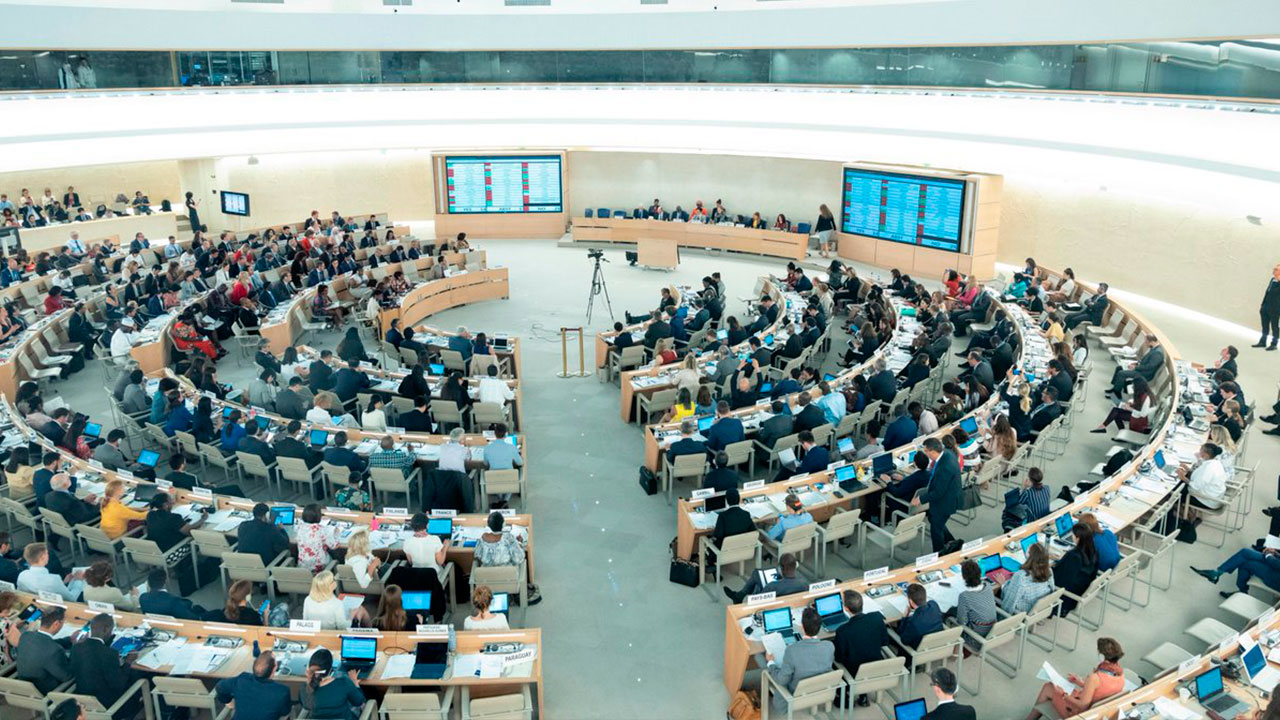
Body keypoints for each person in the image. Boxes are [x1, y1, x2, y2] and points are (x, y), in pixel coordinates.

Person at [1024, 638, 1125, 720]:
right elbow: (1100, 690)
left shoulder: (1095, 678)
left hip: (1078, 713)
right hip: (1095, 711)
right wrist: (1080, 683)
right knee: (1054, 688)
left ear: (1102, 657)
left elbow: (1082, 706)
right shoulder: (1120, 674)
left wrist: (1063, 694)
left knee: (1048, 687)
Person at [761, 607, 835, 717]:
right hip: (819, 690)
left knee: (762, 661)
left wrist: (770, 662)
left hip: (796, 695)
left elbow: (782, 680)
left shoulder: (792, 650)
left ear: (802, 626)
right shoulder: (829, 646)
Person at [70, 612, 142, 719]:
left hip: (84, 701)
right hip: (108, 706)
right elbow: (119, 684)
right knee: (138, 676)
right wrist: (128, 662)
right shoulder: (109, 654)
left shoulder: (76, 648)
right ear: (106, 629)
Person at [474, 511, 540, 604]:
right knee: (523, 562)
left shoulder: (483, 538)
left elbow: (477, 555)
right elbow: (519, 558)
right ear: (503, 524)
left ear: (488, 525)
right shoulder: (508, 538)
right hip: (507, 579)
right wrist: (519, 543)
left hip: (487, 580)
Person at [914, 438, 962, 553]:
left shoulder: (945, 467)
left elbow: (938, 492)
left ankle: (939, 554)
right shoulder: (947, 453)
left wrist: (920, 499)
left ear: (932, 451)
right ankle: (952, 542)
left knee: (936, 531)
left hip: (945, 503)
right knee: (935, 521)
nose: (925, 454)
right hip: (947, 497)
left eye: (925, 451)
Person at [214, 651, 292, 720]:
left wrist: (228, 701)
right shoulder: (282, 691)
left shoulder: (242, 680)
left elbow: (220, 687)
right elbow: (285, 712)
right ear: (274, 668)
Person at [16, 604, 72, 693]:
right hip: (46, 691)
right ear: (56, 624)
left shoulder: (25, 636)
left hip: (25, 688)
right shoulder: (55, 650)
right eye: (63, 623)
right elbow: (67, 676)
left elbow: (44, 644)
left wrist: (69, 639)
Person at [300, 647, 366, 720]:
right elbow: (358, 702)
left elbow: (305, 706)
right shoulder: (343, 683)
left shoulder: (305, 688)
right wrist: (355, 683)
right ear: (330, 669)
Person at [1054, 522, 1099, 616]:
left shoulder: (1073, 556)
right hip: (1079, 592)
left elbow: (1059, 579)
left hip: (1066, 597)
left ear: (1078, 538)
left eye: (1073, 536)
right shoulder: (1094, 551)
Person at [723, 552, 806, 603]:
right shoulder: (804, 583)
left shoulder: (772, 586)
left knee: (756, 583)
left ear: (782, 568)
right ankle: (738, 596)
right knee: (756, 575)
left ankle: (739, 597)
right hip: (788, 603)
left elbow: (758, 602)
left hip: (770, 604)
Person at [951, 560, 996, 650]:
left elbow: (961, 622)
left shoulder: (965, 596)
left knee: (949, 614)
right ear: (980, 573)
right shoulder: (987, 585)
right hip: (991, 631)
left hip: (975, 638)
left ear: (963, 577)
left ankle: (955, 650)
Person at [1000, 543, 1056, 613]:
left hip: (1022, 613)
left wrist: (1003, 584)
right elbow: (1052, 590)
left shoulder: (1021, 576)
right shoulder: (1048, 570)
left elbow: (1009, 600)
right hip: (1040, 610)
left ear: (1029, 556)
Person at [140, 568, 207, 619]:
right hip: (183, 622)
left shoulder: (143, 598)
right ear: (165, 581)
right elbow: (190, 618)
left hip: (158, 623)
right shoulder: (173, 600)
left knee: (197, 608)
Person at [896, 583, 944, 652]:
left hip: (919, 651)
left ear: (911, 601)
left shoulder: (913, 622)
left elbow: (904, 640)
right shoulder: (934, 605)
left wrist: (905, 616)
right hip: (938, 644)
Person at [1257, 263, 1280, 351]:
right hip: (1266, 307)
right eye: (1274, 269)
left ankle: (1274, 344)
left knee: (1275, 327)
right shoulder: (1272, 280)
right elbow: (1268, 292)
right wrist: (1263, 305)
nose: (1274, 270)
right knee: (1265, 326)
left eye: (1276, 269)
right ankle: (1263, 341)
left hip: (1275, 309)